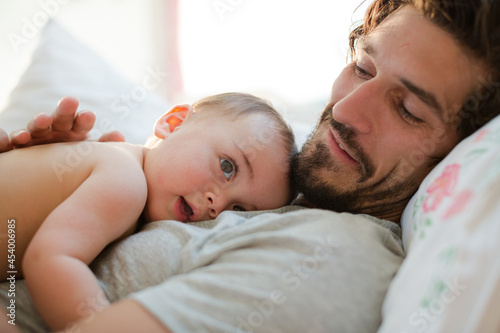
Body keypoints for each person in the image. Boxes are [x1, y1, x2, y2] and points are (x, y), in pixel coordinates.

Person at [1, 0, 499, 332]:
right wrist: (45, 180)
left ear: (465, 148)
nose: (346, 110)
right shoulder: (269, 173)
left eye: (407, 109)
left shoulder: (337, 257)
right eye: (362, 68)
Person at [0, 92, 296, 332]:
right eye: (227, 167)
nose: (216, 205)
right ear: (174, 122)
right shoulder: (126, 180)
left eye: (239, 209)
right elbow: (51, 259)